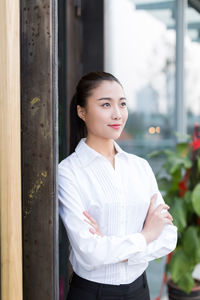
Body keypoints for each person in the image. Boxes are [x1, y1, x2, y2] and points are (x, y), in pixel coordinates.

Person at [58, 71, 177, 300]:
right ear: (81, 112)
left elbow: (168, 237)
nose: (117, 114)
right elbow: (89, 251)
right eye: (105, 105)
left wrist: (113, 248)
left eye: (122, 104)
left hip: (139, 291)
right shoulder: (69, 172)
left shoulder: (139, 167)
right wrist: (146, 236)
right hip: (93, 293)